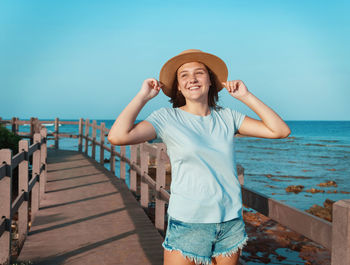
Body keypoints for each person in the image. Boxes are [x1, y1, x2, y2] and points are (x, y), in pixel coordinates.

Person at [108, 49, 291, 265]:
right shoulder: (167, 117)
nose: (192, 79)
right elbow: (118, 136)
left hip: (230, 222)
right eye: (184, 75)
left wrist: (245, 96)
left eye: (199, 73)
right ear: (177, 85)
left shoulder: (227, 117)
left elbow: (280, 131)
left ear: (211, 81)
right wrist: (142, 97)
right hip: (189, 222)